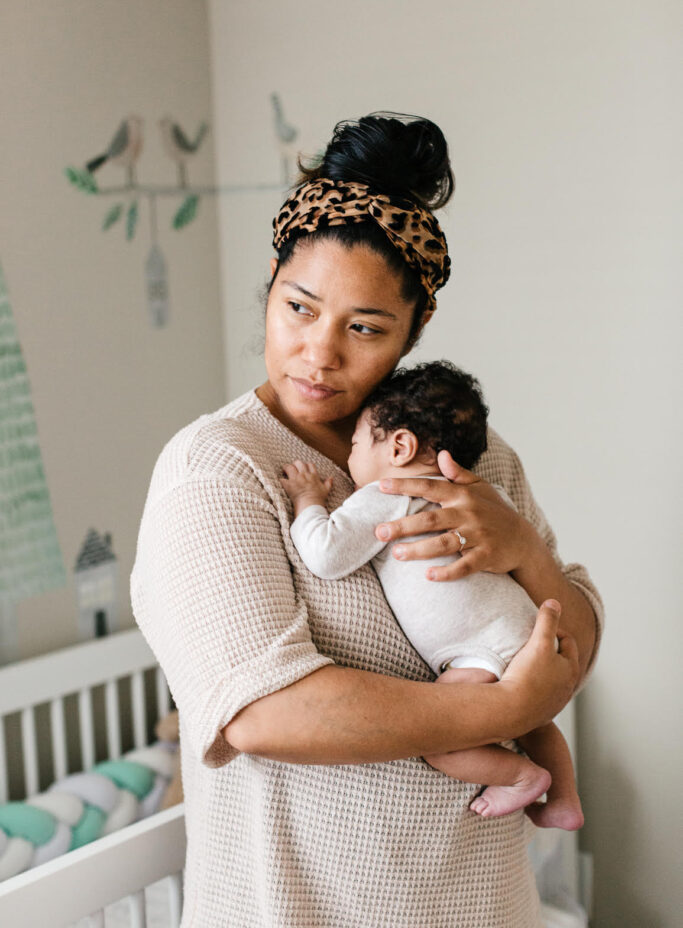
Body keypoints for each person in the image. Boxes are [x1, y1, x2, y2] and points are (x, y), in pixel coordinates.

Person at [131, 112, 603, 927]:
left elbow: (572, 631)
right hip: (302, 909)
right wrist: (505, 710)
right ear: (271, 285)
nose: (319, 352)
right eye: (299, 308)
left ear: (415, 330)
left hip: (484, 904)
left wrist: (521, 547)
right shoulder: (219, 467)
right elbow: (262, 713)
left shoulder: (468, 453)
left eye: (365, 328)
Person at [281, 360, 584, 829]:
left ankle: (521, 778)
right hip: (524, 626)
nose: (348, 457)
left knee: (440, 736)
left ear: (399, 446)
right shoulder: (487, 495)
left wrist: (308, 500)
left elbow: (325, 554)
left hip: (477, 649)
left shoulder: (387, 492)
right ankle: (565, 797)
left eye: (356, 443)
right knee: (536, 719)